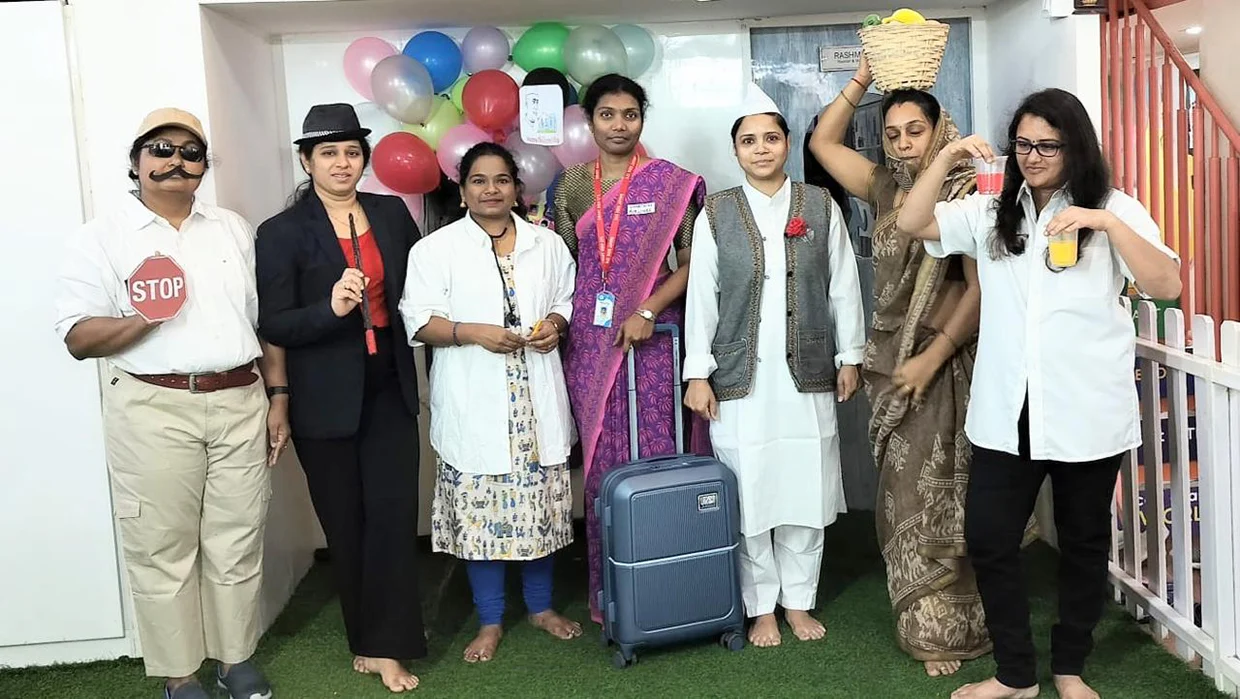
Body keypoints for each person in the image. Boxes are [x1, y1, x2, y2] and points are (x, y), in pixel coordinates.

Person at [896, 88, 1182, 699]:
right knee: (989, 539)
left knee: (1083, 543)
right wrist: (945, 159)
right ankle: (1015, 674)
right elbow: (913, 223)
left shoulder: (1115, 208)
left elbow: (1166, 285)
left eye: (1048, 146)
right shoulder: (992, 210)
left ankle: (1069, 666)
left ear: (1076, 147)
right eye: (1023, 144)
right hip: (1007, 410)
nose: (1033, 156)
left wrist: (1105, 224)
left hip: (1085, 408)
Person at [54, 108, 286, 699]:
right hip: (153, 406)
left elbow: (263, 324)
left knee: (238, 538)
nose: (175, 160)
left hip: (240, 399)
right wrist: (145, 318)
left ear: (204, 166)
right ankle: (179, 675)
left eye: (190, 151)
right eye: (161, 149)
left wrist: (278, 397)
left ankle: (235, 661)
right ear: (135, 162)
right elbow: (78, 338)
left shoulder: (232, 229)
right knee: (162, 544)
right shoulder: (100, 237)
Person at [807, 58, 991, 677]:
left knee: (947, 492)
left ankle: (955, 627)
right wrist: (863, 75)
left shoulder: (969, 192)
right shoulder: (884, 186)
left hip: (946, 359)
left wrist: (932, 358)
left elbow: (979, 290)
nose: (904, 143)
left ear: (940, 130)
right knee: (900, 494)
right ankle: (920, 617)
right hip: (890, 360)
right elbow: (823, 143)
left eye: (916, 130)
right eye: (892, 133)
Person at [683, 93, 866, 647]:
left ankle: (799, 601)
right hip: (739, 375)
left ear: (787, 144)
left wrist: (850, 356)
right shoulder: (716, 212)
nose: (760, 149)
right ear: (735, 151)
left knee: (805, 486)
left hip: (807, 371)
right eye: (748, 141)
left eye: (771, 138)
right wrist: (698, 373)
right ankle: (760, 606)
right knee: (751, 488)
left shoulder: (819, 205)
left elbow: (843, 284)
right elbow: (702, 296)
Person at [254, 104, 426, 693]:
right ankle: (367, 641)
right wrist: (329, 308)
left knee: (393, 516)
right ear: (307, 161)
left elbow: (421, 288)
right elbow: (275, 323)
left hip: (390, 388)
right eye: (328, 153)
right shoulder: (280, 232)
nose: (342, 163)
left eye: (352, 152)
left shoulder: (391, 214)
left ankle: (390, 646)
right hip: (323, 398)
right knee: (346, 523)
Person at [401, 142, 582, 663]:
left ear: (517, 189)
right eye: (478, 181)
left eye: (501, 180)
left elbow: (566, 299)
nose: (491, 190)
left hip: (533, 403)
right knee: (481, 518)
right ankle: (490, 620)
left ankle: (542, 607)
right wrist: (471, 332)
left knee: (540, 509)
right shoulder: (435, 250)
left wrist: (555, 326)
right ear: (462, 191)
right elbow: (419, 320)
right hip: (475, 399)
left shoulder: (547, 244)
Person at [549, 73, 708, 624]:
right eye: (607, 115)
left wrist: (647, 309)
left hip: (655, 340)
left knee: (658, 453)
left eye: (630, 114)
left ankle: (670, 589)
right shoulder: (570, 185)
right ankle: (611, 595)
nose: (619, 125)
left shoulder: (672, 184)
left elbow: (693, 263)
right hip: (590, 346)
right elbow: (563, 265)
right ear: (589, 121)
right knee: (601, 466)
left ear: (642, 119)